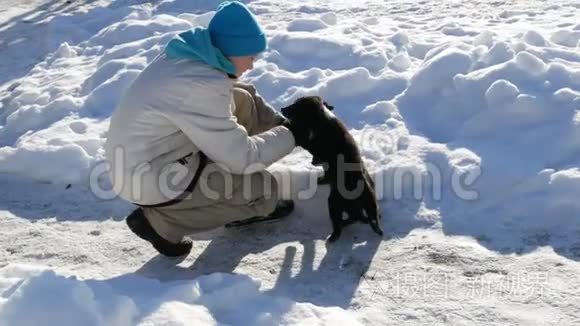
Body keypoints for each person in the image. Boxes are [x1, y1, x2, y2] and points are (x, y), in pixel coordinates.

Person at [104, 1, 308, 257]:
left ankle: (204, 193)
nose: (253, 64)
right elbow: (242, 159)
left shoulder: (193, 56)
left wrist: (283, 126)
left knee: (240, 97)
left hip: (150, 157)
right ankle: (160, 224)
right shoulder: (199, 86)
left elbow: (238, 98)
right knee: (262, 189)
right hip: (149, 179)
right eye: (251, 56)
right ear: (233, 51)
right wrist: (293, 135)